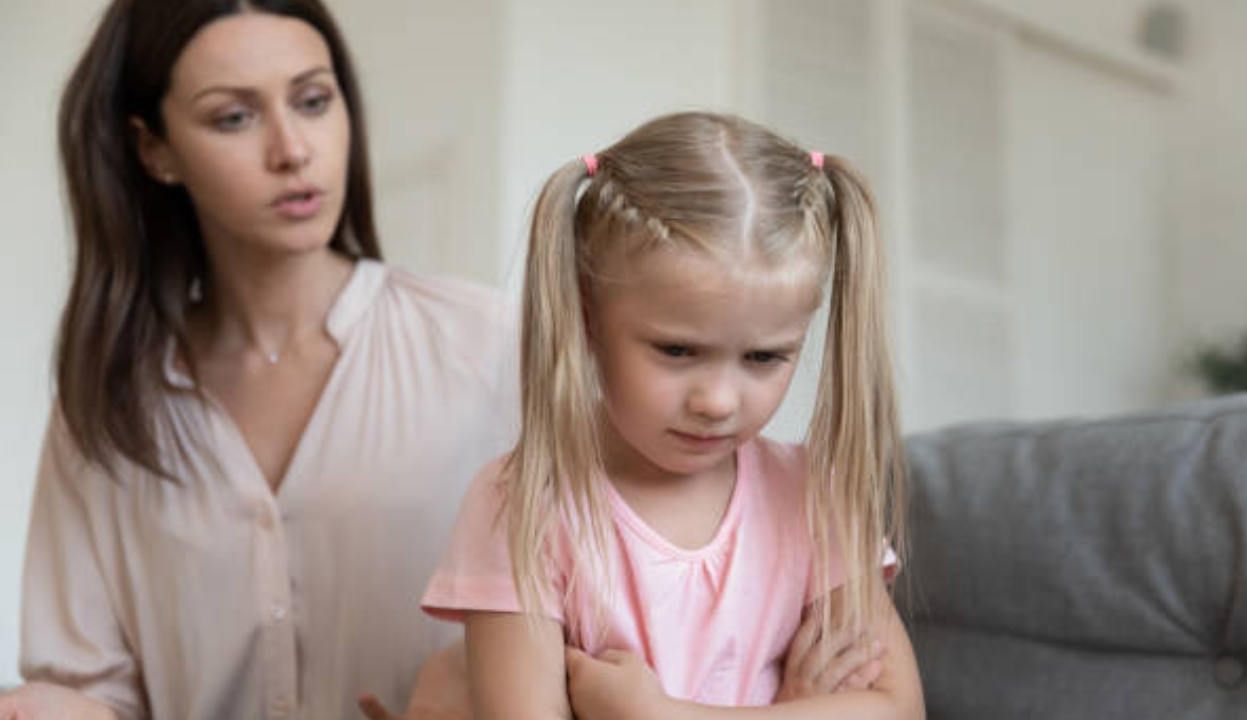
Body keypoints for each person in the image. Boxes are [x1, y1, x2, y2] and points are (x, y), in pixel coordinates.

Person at [0, 1, 517, 719]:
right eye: (234, 117)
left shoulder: (494, 345)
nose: (292, 149)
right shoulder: (106, 407)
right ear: (154, 149)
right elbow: (87, 693)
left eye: (313, 101)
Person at [421, 112, 925, 719]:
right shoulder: (525, 504)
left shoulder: (813, 497)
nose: (718, 401)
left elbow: (898, 710)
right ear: (587, 316)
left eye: (764, 357)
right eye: (677, 351)